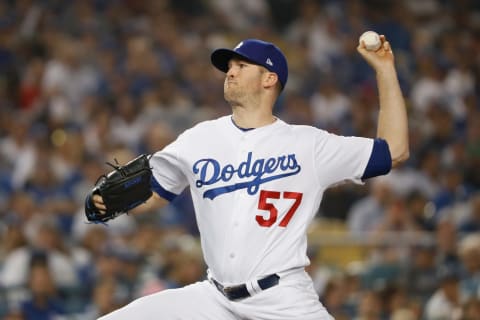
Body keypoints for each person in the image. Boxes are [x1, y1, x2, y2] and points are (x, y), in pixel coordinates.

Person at [90, 36, 409, 319]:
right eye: (230, 66)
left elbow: (394, 150)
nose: (230, 71)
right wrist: (111, 202)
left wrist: (384, 69)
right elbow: (156, 192)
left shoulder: (308, 145)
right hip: (213, 299)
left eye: (242, 65)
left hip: (283, 300)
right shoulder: (200, 138)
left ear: (269, 78)